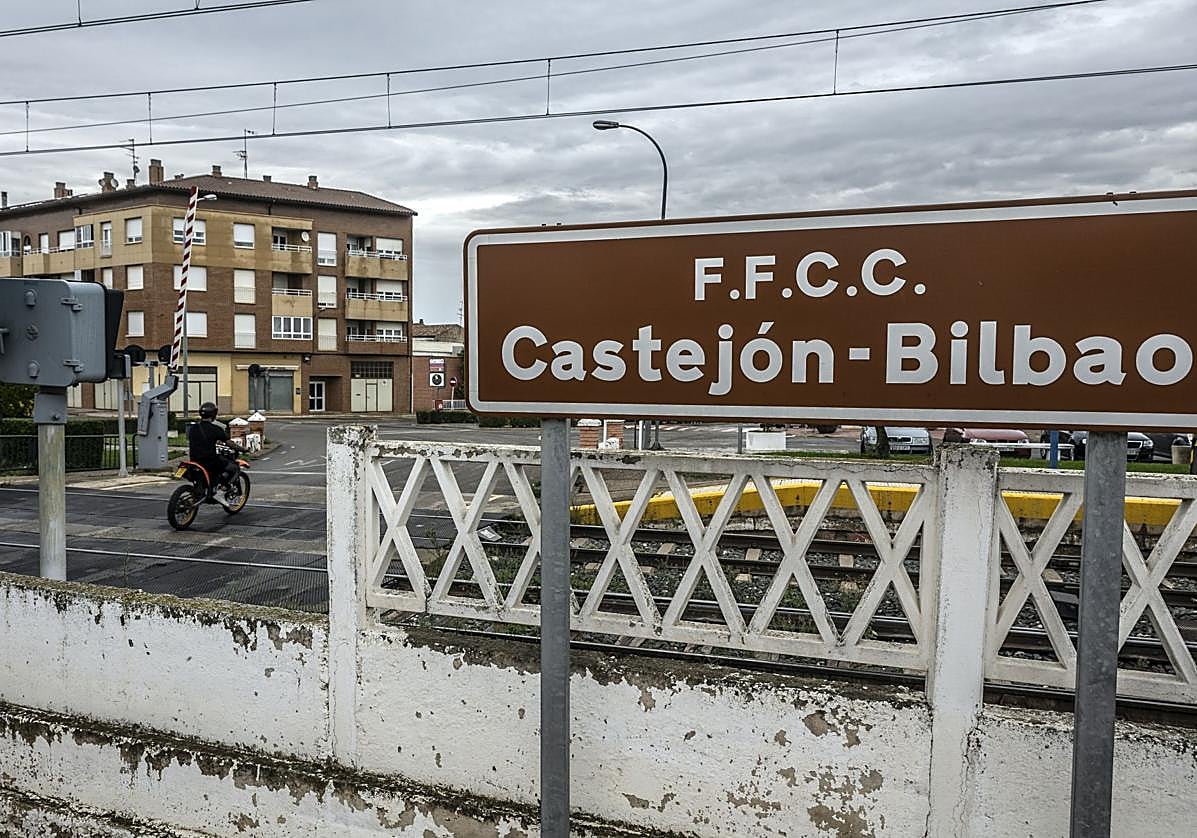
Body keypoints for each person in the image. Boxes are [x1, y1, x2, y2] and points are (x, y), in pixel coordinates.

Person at [187, 402, 248, 496]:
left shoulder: (193, 428)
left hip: (194, 460)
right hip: (210, 461)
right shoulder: (216, 429)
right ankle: (224, 487)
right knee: (234, 468)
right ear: (214, 414)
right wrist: (243, 449)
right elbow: (230, 443)